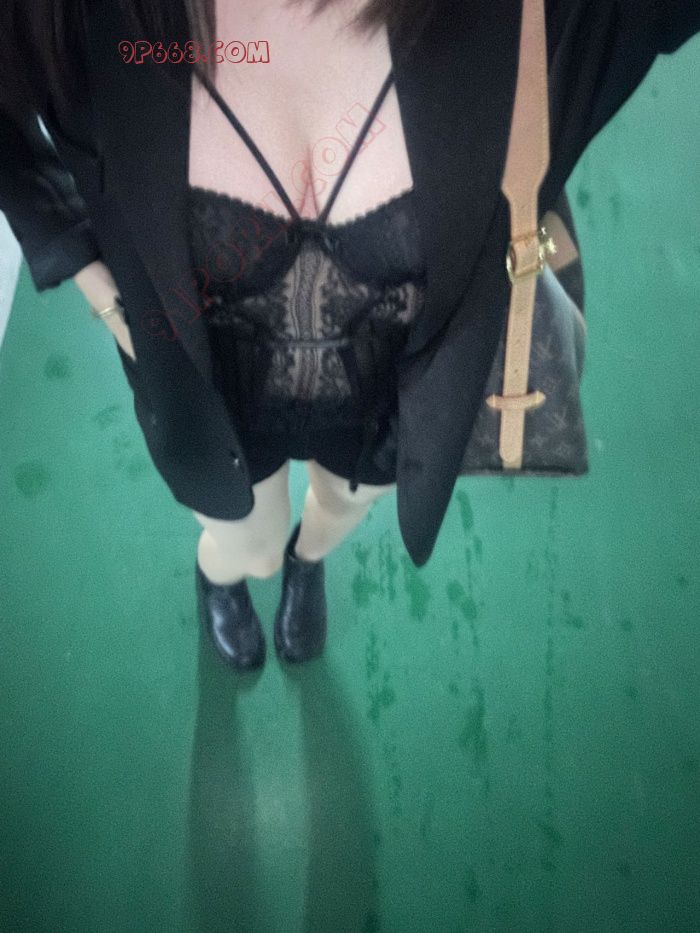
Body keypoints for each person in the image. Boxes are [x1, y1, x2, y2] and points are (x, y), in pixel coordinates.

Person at [0, 0, 698, 672]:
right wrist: (80, 262)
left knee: (338, 511)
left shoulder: (554, 16)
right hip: (209, 405)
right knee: (249, 547)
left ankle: (309, 563)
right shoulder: (81, 16)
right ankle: (228, 575)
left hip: (388, 407)